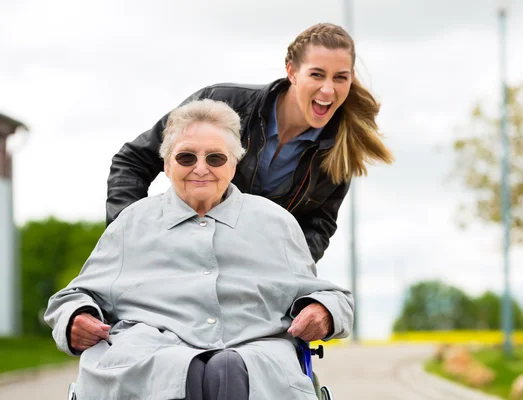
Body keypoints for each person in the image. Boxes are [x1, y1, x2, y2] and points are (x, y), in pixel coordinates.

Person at [45, 99, 353, 400]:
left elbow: (331, 296)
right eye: (186, 158)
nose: (201, 168)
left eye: (216, 158)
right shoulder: (133, 223)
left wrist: (323, 311)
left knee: (230, 368)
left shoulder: (275, 223)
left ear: (234, 164)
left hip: (254, 348)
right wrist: (76, 317)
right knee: (179, 369)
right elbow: (73, 297)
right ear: (166, 165)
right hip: (151, 351)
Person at [107, 22, 394, 264]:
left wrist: (285, 277)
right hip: (181, 256)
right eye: (317, 74)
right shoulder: (222, 102)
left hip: (249, 278)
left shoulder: (341, 149)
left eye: (340, 78)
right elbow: (132, 161)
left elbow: (318, 226)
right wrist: (130, 239)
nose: (328, 89)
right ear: (292, 72)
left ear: (351, 79)